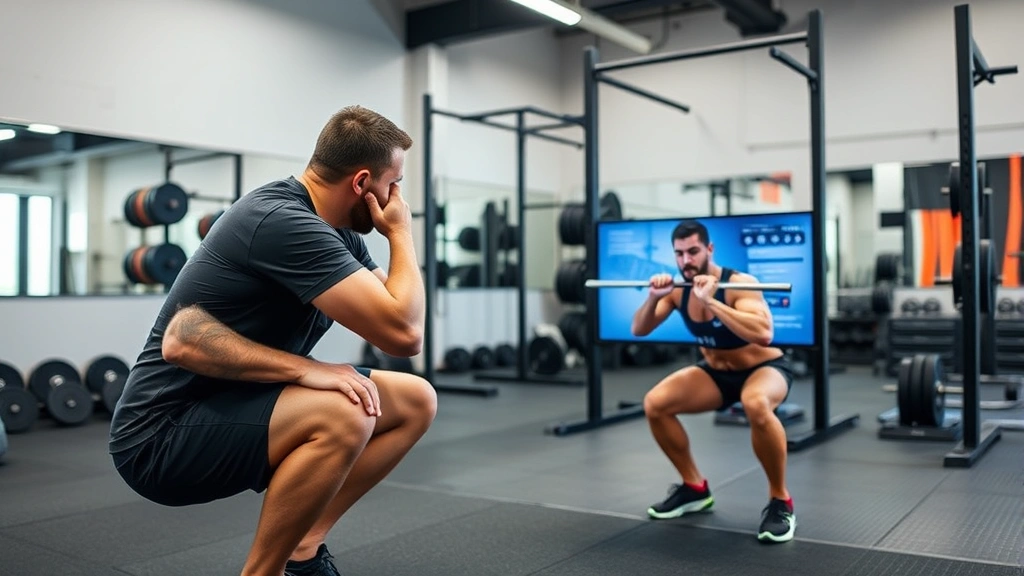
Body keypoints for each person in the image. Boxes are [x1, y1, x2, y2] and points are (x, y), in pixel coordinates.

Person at [108, 105, 438, 576]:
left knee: (414, 400)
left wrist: (394, 238)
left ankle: (303, 548)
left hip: (233, 404)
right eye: (394, 182)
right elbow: (181, 340)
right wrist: (402, 234)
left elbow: (401, 319)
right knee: (348, 410)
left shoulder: (336, 233)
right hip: (159, 436)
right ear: (363, 183)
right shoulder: (280, 221)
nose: (396, 197)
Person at [630, 219, 796, 544]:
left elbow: (764, 334)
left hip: (764, 368)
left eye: (692, 251)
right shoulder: (678, 291)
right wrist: (653, 297)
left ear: (709, 249)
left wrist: (711, 302)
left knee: (756, 404)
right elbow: (639, 329)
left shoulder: (739, 283)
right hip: (716, 373)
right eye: (679, 254)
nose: (685, 261)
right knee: (656, 403)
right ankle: (694, 488)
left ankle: (781, 501)